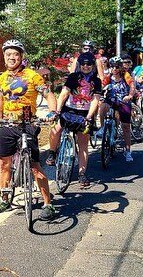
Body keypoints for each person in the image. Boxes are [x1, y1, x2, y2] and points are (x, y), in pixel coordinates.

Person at [0, 39, 59, 221]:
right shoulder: (2, 78)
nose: (12, 57)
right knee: (4, 164)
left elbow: (48, 94)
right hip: (8, 126)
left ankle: (48, 203)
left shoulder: (32, 76)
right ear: (4, 57)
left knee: (35, 166)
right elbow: (1, 100)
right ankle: (4, 199)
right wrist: (0, 117)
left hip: (27, 124)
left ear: (21, 56)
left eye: (15, 54)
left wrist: (52, 112)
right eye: (8, 54)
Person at [45, 52, 102, 188]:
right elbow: (64, 93)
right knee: (56, 128)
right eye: (83, 64)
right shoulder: (73, 77)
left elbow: (95, 100)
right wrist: (57, 111)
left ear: (93, 65)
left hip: (85, 113)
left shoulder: (97, 81)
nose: (86, 66)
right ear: (79, 65)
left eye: (89, 64)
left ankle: (82, 174)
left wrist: (89, 117)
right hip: (69, 109)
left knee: (83, 143)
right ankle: (52, 153)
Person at [98, 57, 136, 161]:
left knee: (126, 126)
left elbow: (132, 86)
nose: (114, 69)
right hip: (111, 100)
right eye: (112, 66)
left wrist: (130, 95)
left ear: (120, 67)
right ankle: (102, 128)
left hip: (123, 100)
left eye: (117, 67)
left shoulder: (126, 75)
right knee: (102, 107)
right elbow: (101, 86)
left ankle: (128, 151)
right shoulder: (108, 77)